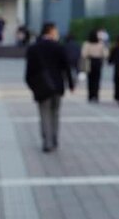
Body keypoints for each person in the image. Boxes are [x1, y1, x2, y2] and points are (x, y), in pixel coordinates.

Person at [25, 22, 74, 152]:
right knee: (55, 113)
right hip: (57, 85)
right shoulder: (58, 47)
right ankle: (54, 138)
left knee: (44, 114)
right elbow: (66, 67)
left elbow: (29, 71)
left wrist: (32, 85)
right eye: (56, 30)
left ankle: (47, 141)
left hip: (41, 86)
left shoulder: (33, 48)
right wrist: (71, 84)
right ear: (51, 31)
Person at [81, 30, 108, 103]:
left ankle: (90, 95)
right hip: (98, 62)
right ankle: (96, 95)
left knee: (90, 80)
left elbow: (84, 54)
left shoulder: (86, 43)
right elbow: (105, 54)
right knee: (97, 80)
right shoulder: (100, 43)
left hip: (89, 61)